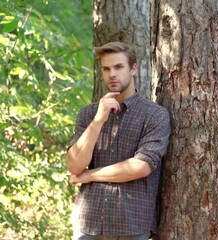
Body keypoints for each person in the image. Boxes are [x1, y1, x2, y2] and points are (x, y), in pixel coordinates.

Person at [67, 42, 171, 240]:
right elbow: (74, 166)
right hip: (88, 224)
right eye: (106, 69)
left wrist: (90, 175)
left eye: (118, 67)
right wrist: (98, 120)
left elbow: (141, 166)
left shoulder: (154, 115)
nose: (112, 74)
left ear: (133, 69)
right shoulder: (88, 114)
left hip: (131, 224)